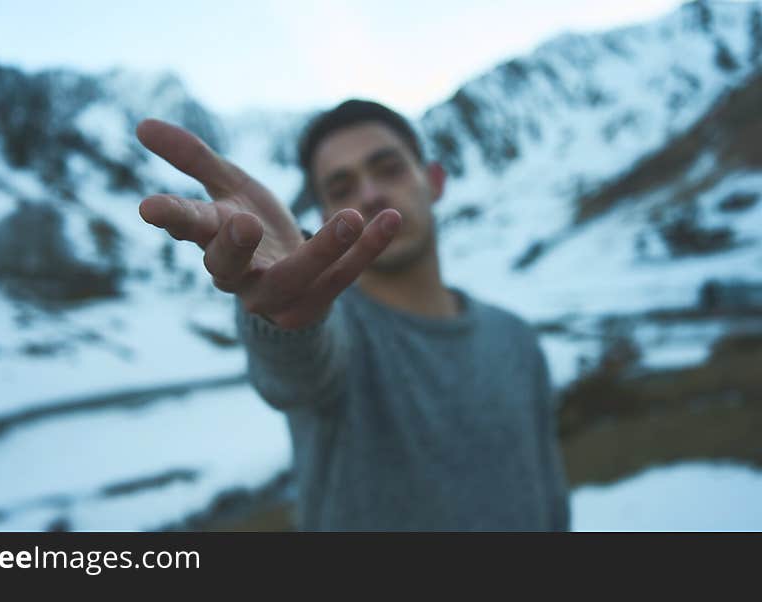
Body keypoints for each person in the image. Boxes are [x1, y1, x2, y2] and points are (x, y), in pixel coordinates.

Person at [135, 99, 571, 531]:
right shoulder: (337, 333)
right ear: (327, 217)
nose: (370, 194)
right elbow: (296, 370)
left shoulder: (515, 339)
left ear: (433, 181)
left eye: (389, 168)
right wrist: (282, 319)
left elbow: (550, 494)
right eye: (341, 189)